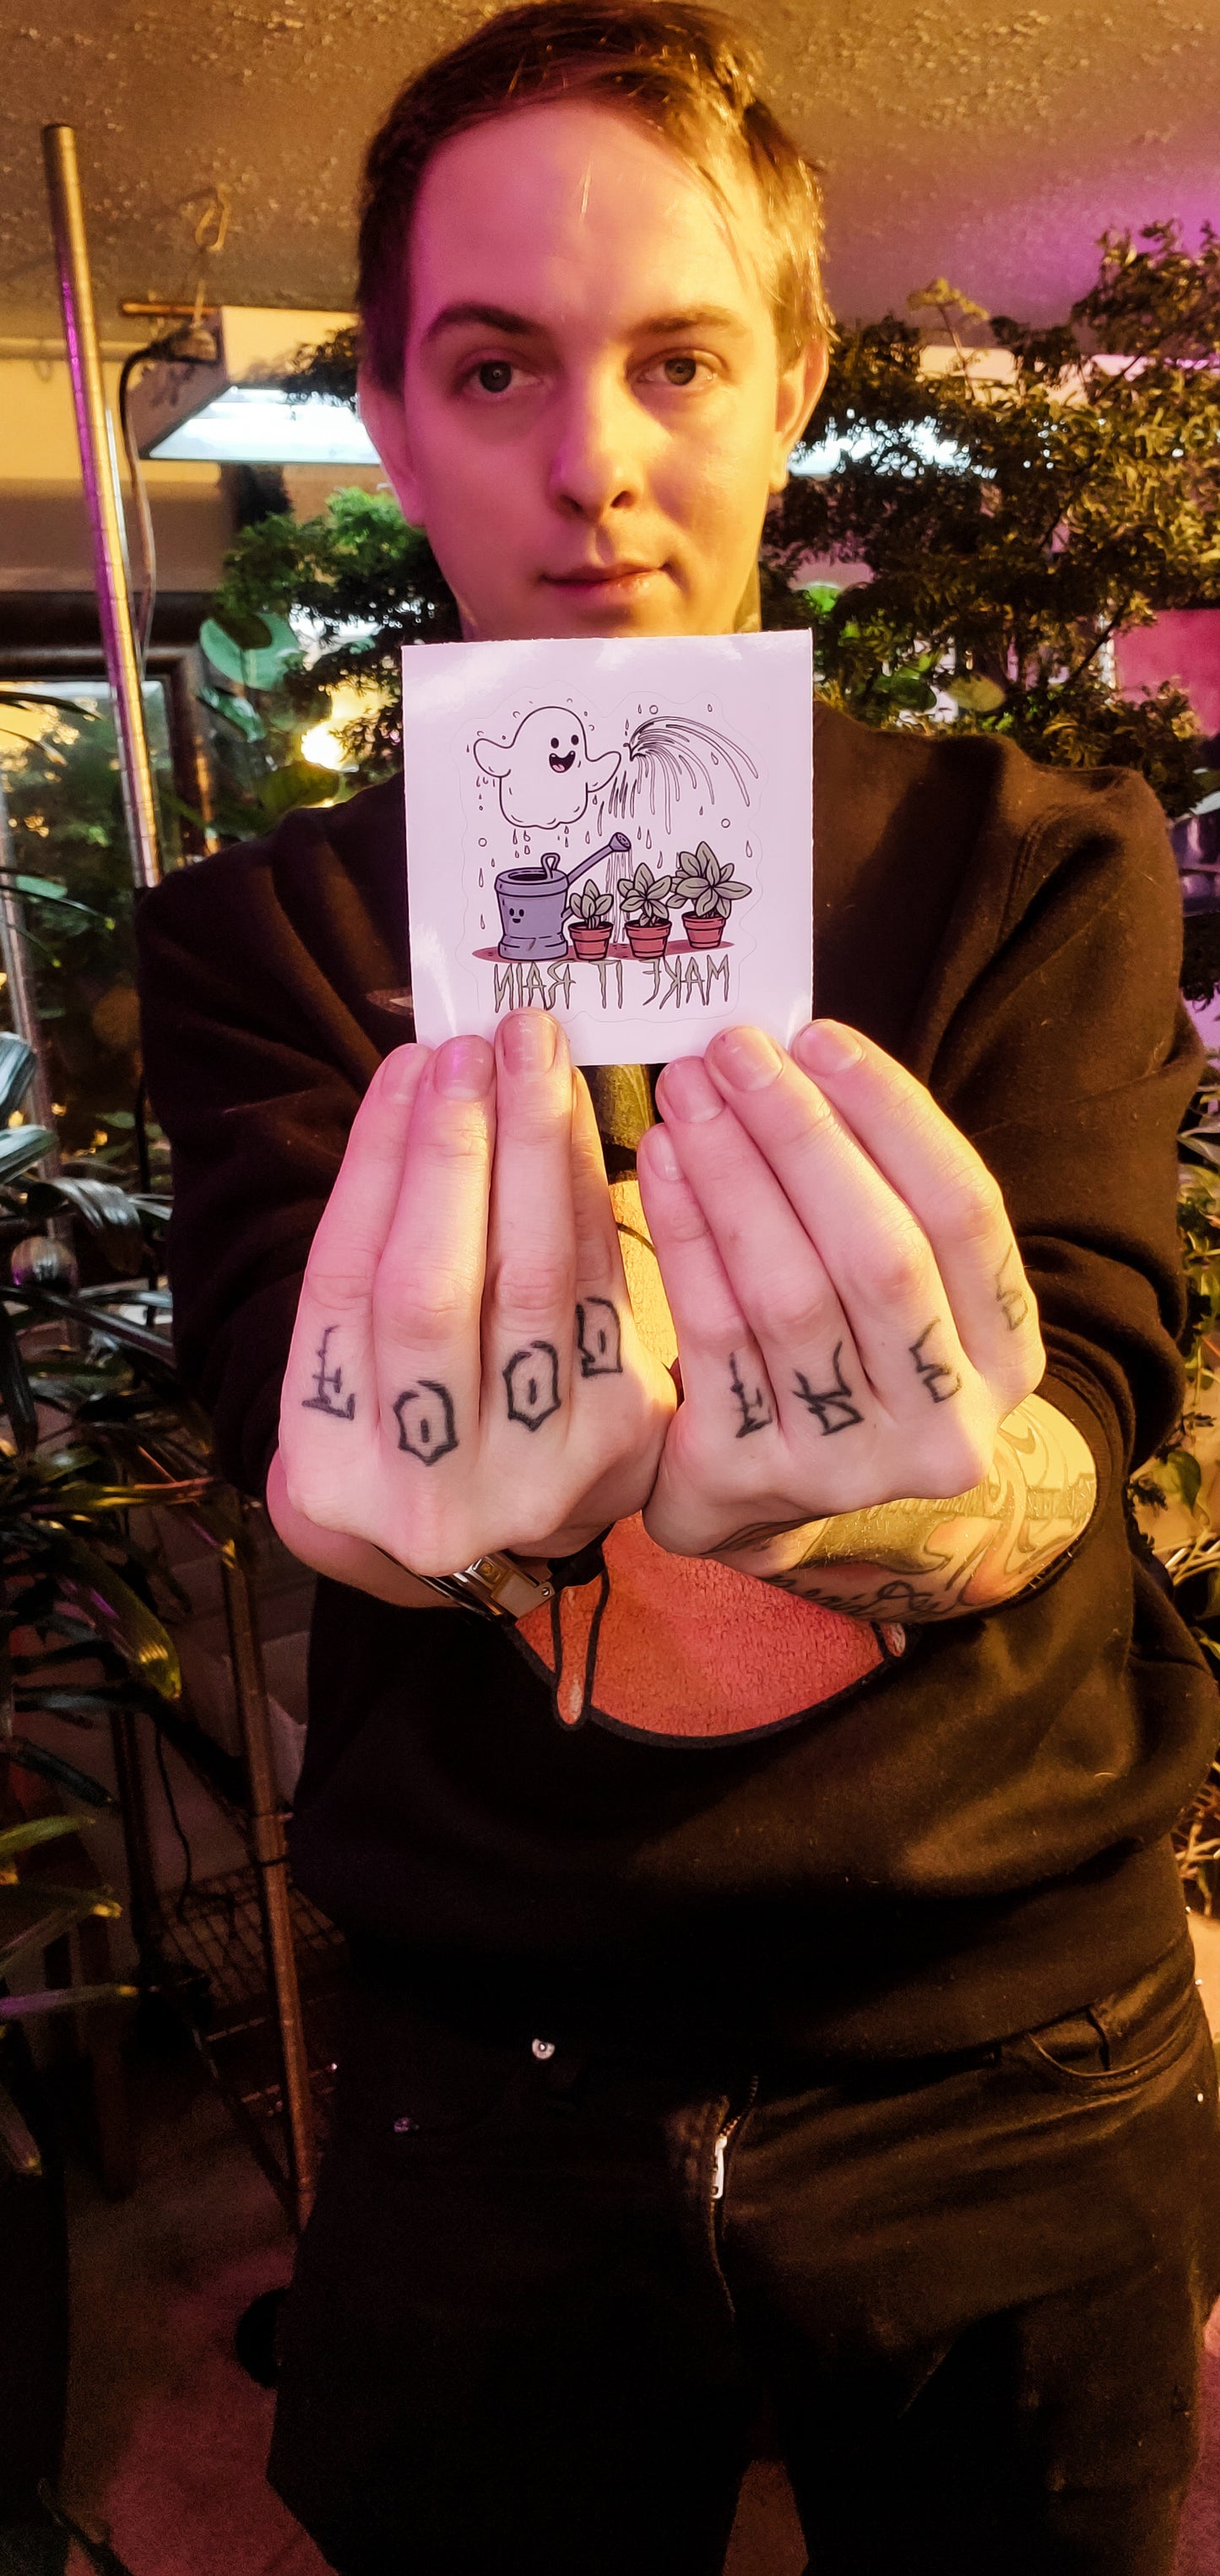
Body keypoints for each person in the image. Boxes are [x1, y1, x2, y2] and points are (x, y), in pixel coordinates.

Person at [135, 6, 1220, 2569]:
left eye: (679, 359)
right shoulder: (268, 940)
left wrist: (968, 1489)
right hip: (494, 2069)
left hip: (1008, 2044)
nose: (595, 465)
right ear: (391, 416)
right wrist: (390, 1508)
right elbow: (285, 1399)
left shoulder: (1036, 863)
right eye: (496, 365)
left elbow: (1089, 1366)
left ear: (798, 383)